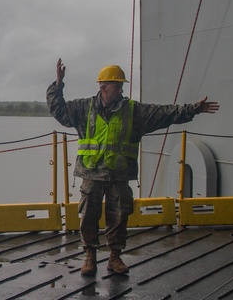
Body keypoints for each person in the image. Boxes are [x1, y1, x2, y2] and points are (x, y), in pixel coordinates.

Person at [47, 59, 219, 276]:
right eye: (116, 86)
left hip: (119, 174)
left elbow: (164, 113)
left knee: (119, 215)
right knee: (89, 215)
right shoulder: (84, 108)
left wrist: (194, 109)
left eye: (121, 86)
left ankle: (114, 257)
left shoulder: (133, 111)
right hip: (92, 174)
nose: (120, 90)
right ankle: (90, 255)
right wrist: (58, 84)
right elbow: (58, 109)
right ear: (103, 87)